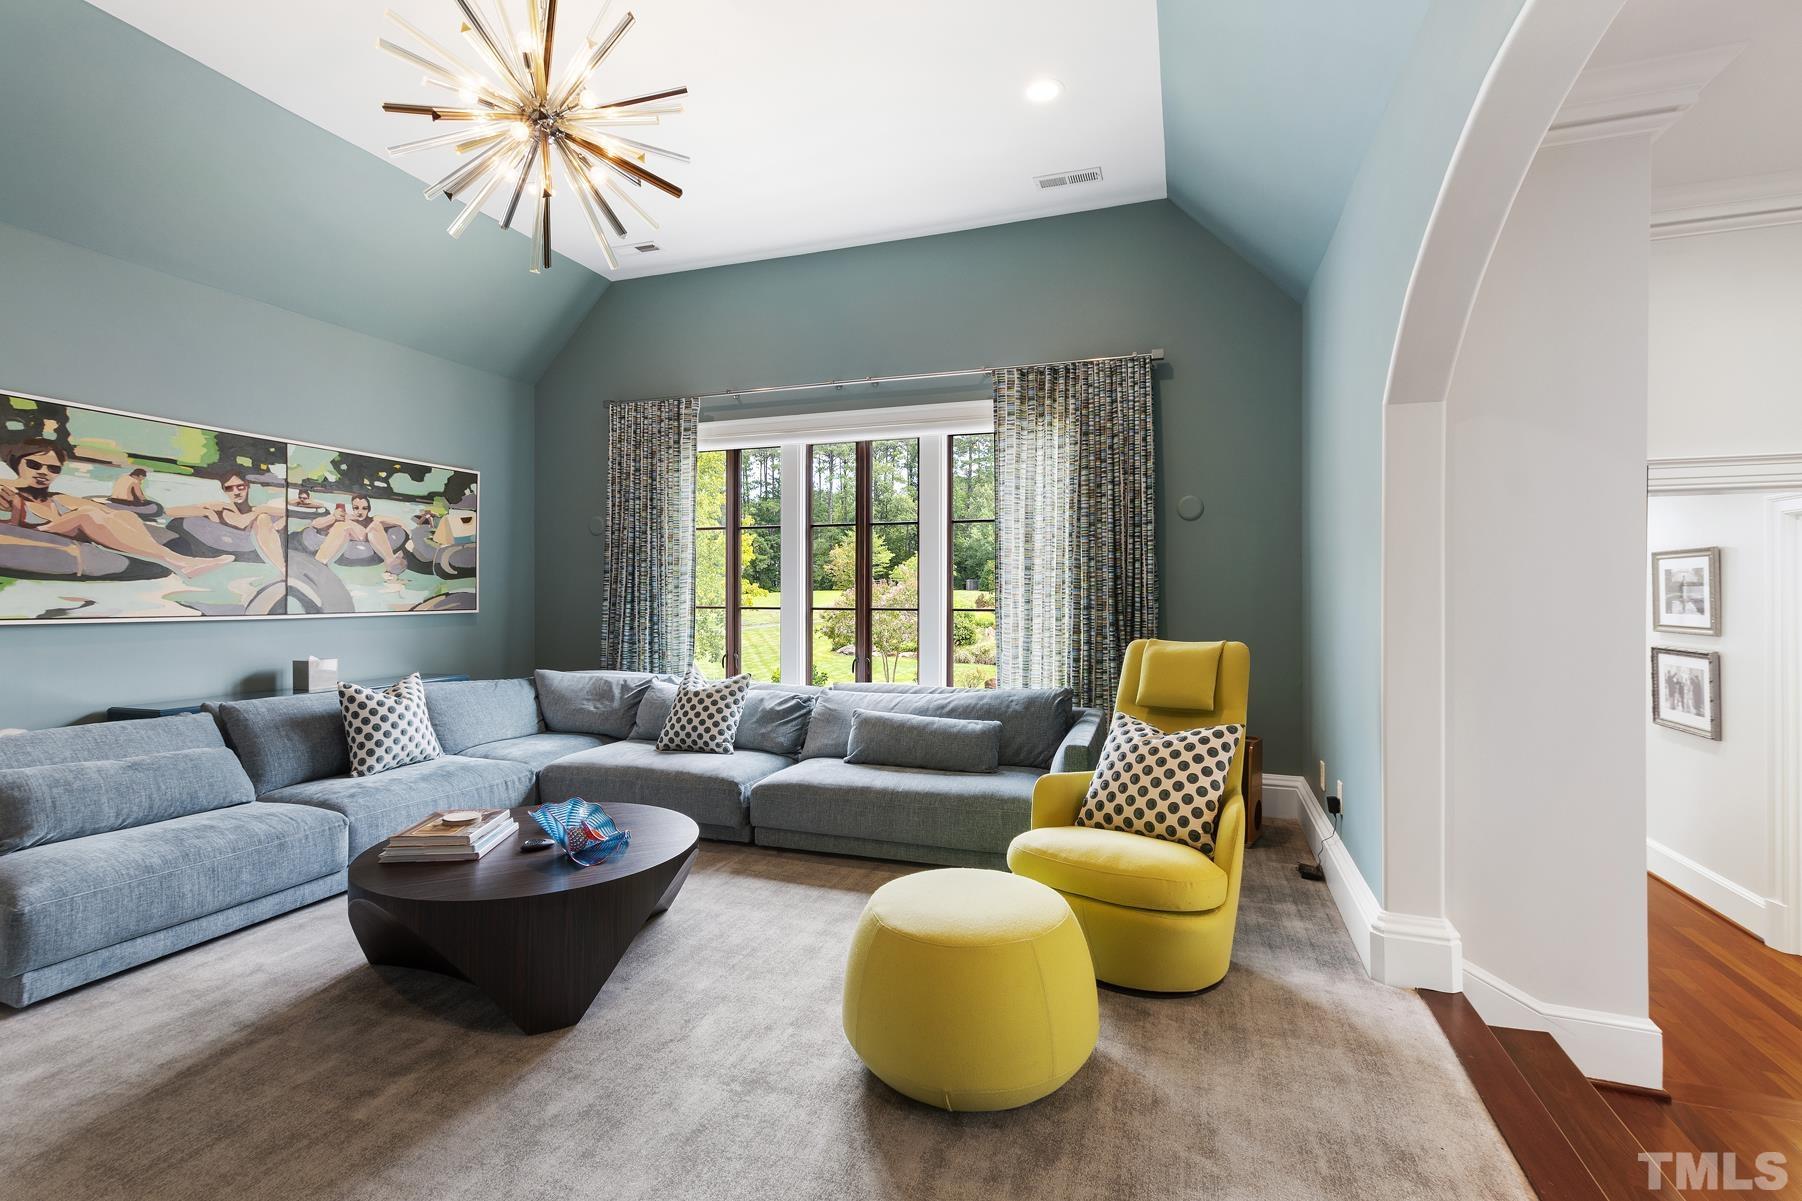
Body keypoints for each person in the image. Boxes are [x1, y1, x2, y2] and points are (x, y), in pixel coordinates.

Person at [0, 442, 230, 578]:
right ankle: (180, 562)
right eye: (33, 464)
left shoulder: (59, 498)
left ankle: (172, 559)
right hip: (37, 533)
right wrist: (15, 504)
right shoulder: (5, 489)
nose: (43, 472)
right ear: (18, 463)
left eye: (52, 468)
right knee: (86, 515)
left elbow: (108, 511)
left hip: (58, 526)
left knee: (124, 514)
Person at [169, 471, 287, 567]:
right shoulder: (218, 508)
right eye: (229, 488)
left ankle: (281, 569)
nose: (236, 492)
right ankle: (281, 569)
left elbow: (287, 512)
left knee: (264, 517)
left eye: (240, 487)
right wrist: (206, 511)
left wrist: (276, 518)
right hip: (223, 550)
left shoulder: (258, 510)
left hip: (252, 550)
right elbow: (169, 511)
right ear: (224, 490)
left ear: (247, 487)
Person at [310, 492, 407, 576]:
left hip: (370, 538)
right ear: (352, 508)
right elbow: (315, 524)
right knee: (341, 525)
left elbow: (400, 522)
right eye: (356, 508)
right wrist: (333, 517)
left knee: (375, 524)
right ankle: (318, 564)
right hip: (348, 535)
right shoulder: (346, 518)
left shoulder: (374, 520)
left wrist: (409, 533)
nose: (360, 511)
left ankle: (391, 561)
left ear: (369, 509)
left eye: (364, 508)